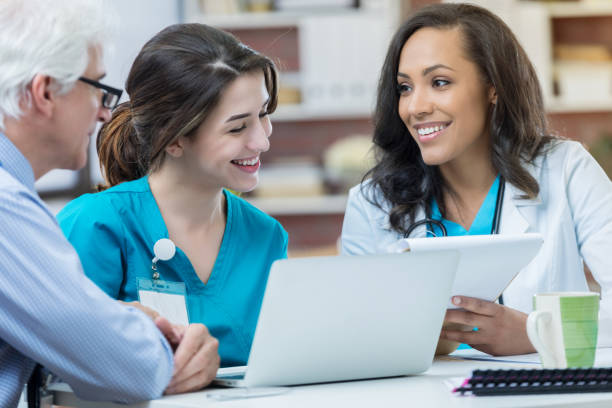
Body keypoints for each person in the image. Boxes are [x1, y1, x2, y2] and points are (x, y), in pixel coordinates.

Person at [341, 3, 612, 356]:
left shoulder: (566, 169)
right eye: (404, 88)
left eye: (439, 82)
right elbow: (351, 336)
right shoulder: (372, 203)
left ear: (493, 87)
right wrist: (413, 340)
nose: (415, 107)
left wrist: (537, 333)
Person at [0, 1, 220, 406]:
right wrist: (159, 344)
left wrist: (125, 325)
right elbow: (128, 369)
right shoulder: (6, 208)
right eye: (97, 89)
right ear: (45, 92)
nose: (105, 113)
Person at [57, 23, 288, 367]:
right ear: (174, 137)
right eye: (238, 127)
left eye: (264, 115)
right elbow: (60, 379)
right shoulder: (95, 225)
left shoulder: (266, 236)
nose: (262, 141)